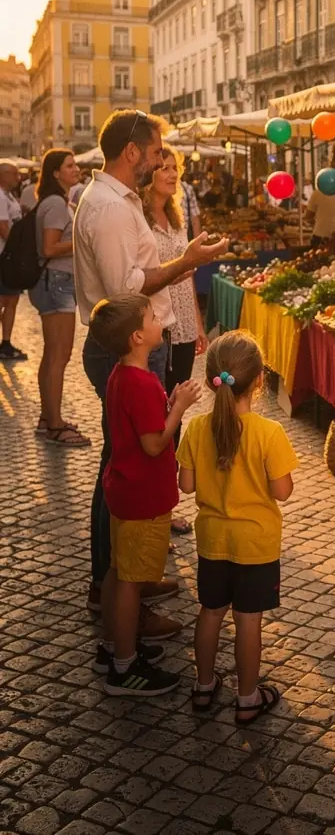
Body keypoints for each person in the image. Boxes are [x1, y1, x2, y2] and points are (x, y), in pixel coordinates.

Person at [72, 109, 229, 628]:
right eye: (156, 150)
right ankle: (116, 590)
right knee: (124, 464)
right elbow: (126, 291)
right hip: (128, 347)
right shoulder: (112, 209)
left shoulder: (117, 201)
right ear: (132, 152)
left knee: (124, 460)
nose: (161, 159)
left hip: (140, 345)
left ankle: (127, 577)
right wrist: (186, 263)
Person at [177, 330, 297, 724]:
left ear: (212, 377)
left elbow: (187, 485)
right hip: (256, 545)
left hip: (212, 541)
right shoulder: (269, 433)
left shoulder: (195, 430)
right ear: (260, 380)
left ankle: (204, 684)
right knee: (248, 621)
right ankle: (248, 698)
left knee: (210, 612)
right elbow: (282, 492)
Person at [88, 293, 201, 697]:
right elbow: (154, 443)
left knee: (118, 573)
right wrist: (180, 408)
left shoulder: (122, 374)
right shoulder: (138, 381)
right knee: (132, 579)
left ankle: (115, 646)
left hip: (124, 492)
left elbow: (142, 426)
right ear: (138, 336)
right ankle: (124, 667)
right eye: (153, 317)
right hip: (142, 498)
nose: (159, 320)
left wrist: (167, 403)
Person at [142, 145, 208, 533]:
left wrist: (198, 323)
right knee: (160, 415)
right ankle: (154, 508)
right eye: (163, 168)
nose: (170, 174)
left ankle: (164, 505)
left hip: (183, 323)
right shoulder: (141, 218)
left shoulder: (175, 215)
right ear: (149, 175)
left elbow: (188, 276)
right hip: (159, 325)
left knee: (177, 415)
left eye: (174, 168)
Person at [28, 148, 89, 446]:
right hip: (57, 283)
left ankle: (48, 416)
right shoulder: (54, 204)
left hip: (57, 282)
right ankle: (54, 425)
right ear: (55, 173)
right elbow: (49, 249)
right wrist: (79, 240)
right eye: (69, 165)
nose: (75, 169)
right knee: (59, 356)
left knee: (53, 355)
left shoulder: (60, 202)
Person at [0, 159, 27, 361]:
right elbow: (2, 227)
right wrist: (17, 248)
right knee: (6, 300)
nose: (18, 178)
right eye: (14, 174)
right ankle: (5, 342)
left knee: (11, 300)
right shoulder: (0, 197)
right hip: (4, 256)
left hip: (8, 256)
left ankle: (6, 342)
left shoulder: (8, 196)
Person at [180, 173, 202, 240]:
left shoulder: (187, 189)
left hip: (185, 237)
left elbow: (195, 220)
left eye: (175, 168)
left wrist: (198, 243)